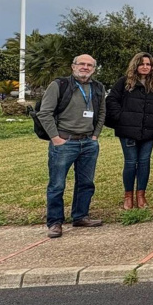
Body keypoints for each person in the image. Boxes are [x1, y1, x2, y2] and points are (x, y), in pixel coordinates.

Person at [39, 54, 106, 238]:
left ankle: (80, 216)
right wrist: (55, 138)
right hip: (64, 142)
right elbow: (44, 113)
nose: (85, 67)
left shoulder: (98, 88)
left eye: (89, 65)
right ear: (73, 66)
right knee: (57, 184)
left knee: (86, 183)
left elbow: (101, 114)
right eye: (81, 64)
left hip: (88, 143)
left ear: (93, 68)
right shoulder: (59, 85)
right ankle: (55, 222)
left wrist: (95, 136)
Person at [105, 52, 153, 210]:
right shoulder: (124, 82)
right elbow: (111, 100)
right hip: (128, 131)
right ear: (136, 65)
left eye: (148, 64)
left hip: (148, 130)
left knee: (144, 163)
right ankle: (128, 196)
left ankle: (141, 195)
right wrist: (121, 117)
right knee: (130, 163)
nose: (145, 67)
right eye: (142, 64)